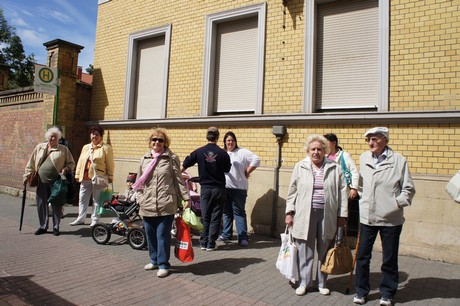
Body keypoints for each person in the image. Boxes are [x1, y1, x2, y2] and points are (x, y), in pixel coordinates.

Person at [353, 127, 416, 306]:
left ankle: (387, 293)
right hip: (368, 217)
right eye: (368, 140)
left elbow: (408, 189)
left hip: (391, 219)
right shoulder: (364, 158)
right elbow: (361, 185)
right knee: (362, 256)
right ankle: (361, 291)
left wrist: (395, 203)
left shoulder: (399, 160)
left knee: (389, 258)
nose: (371, 142)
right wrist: (363, 201)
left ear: (385, 140)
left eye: (374, 139)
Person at [285, 134, 348, 296]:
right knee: (305, 249)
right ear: (308, 151)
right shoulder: (300, 166)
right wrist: (289, 212)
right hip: (304, 213)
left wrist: (342, 215)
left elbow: (342, 193)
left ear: (325, 151)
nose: (316, 152)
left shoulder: (335, 167)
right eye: (313, 149)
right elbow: (292, 191)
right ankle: (304, 283)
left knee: (324, 249)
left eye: (320, 149)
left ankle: (322, 282)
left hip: (327, 214)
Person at [133, 128, 190, 278]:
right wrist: (139, 197)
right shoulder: (144, 159)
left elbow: (179, 180)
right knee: (150, 234)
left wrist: (186, 198)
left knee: (162, 235)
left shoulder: (171, 158)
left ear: (165, 143)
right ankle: (154, 260)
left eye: (160, 140)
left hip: (166, 203)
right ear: (150, 142)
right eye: (154, 139)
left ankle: (164, 264)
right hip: (147, 203)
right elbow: (139, 182)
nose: (157, 142)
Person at [182, 127, 231, 251]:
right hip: (219, 189)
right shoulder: (222, 153)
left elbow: (186, 163)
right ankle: (211, 243)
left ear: (207, 137)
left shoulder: (199, 152)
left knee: (205, 216)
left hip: (206, 189)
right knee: (216, 217)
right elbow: (227, 169)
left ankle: (203, 242)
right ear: (217, 137)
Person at [23, 127, 75, 236]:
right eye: (51, 136)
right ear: (47, 137)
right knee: (41, 204)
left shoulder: (63, 149)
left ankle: (56, 227)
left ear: (58, 138)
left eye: (55, 137)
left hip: (57, 182)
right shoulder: (40, 148)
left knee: (57, 204)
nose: (53, 138)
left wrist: (66, 169)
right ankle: (43, 226)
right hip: (42, 181)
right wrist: (26, 176)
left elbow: (71, 163)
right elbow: (31, 163)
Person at [219, 131, 260, 246]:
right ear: (225, 142)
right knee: (226, 212)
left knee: (239, 212)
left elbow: (257, 159)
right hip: (225, 187)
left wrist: (248, 170)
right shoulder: (222, 153)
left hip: (239, 188)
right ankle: (226, 234)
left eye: (232, 140)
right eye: (228, 140)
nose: (230, 142)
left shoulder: (242, 152)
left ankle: (242, 237)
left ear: (235, 141)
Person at [70, 126, 114, 227]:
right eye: (93, 134)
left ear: (101, 136)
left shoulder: (106, 148)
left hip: (98, 177)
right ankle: (81, 218)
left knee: (97, 200)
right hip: (85, 177)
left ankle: (95, 220)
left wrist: (110, 177)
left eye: (97, 134)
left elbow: (110, 164)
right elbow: (80, 161)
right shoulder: (86, 147)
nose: (94, 136)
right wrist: (77, 174)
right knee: (82, 199)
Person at [324, 133, 359, 234]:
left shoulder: (344, 155)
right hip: (328, 191)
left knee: (340, 216)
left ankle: (339, 241)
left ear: (334, 143)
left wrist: (354, 188)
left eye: (326, 142)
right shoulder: (324, 156)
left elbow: (354, 171)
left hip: (341, 191)